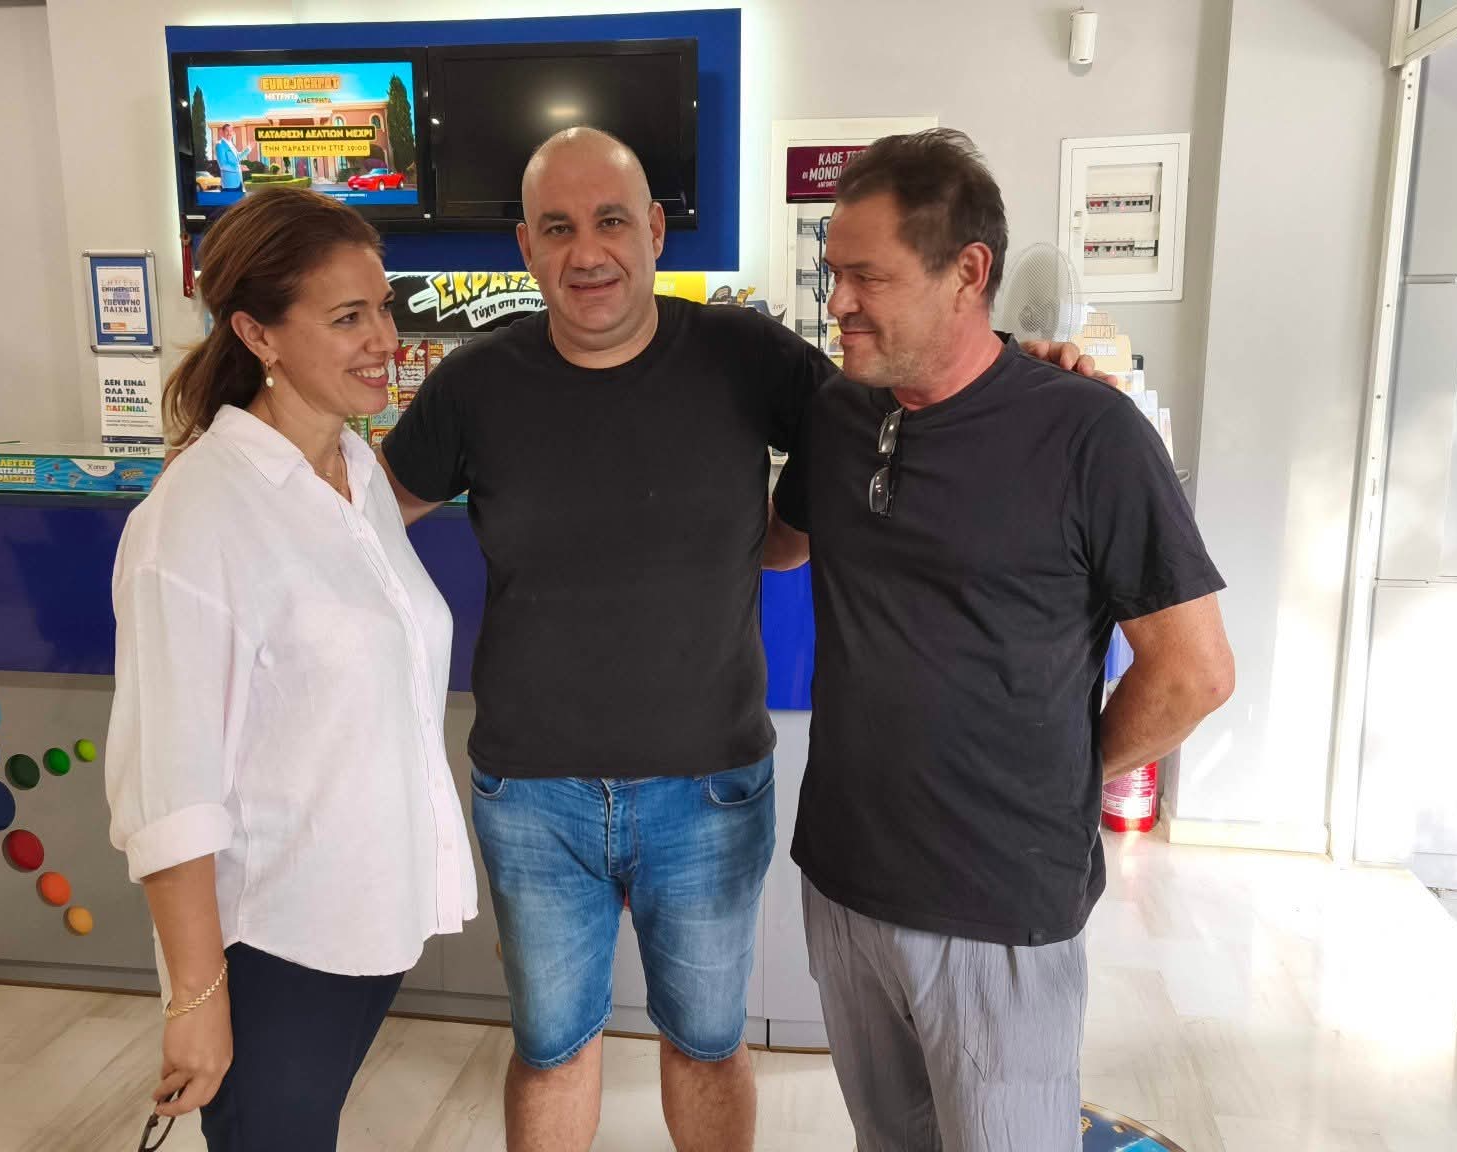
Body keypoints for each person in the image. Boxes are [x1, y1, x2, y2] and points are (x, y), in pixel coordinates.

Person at [379, 126, 1107, 1152]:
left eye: (610, 221)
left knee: (708, 1043)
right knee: (549, 1048)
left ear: (655, 230)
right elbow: (363, 518)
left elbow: (907, 391)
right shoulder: (473, 383)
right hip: (532, 796)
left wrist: (1027, 374)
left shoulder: (743, 354)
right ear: (525, 246)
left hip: (707, 788)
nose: (587, 251)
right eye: (557, 227)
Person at [768, 129, 1235, 1152]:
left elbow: (1194, 673)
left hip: (995, 902)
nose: (836, 302)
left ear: (967, 273)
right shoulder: (840, 415)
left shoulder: (1089, 434)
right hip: (842, 879)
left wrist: (1061, 773)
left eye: (866, 277)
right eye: (832, 272)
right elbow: (778, 542)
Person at [103, 186, 474, 1150]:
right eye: (347, 317)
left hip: (370, 919)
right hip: (274, 938)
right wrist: (197, 998)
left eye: (383, 307)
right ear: (257, 334)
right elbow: (169, 788)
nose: (384, 339)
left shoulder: (357, 472)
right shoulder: (195, 516)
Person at [215, 126, 251, 194]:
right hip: (229, 185)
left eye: (231, 131)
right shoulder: (220, 145)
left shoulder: (232, 145)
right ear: (222, 132)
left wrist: (249, 149)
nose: (229, 133)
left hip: (239, 183)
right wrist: (239, 167)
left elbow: (238, 157)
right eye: (227, 131)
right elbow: (223, 165)